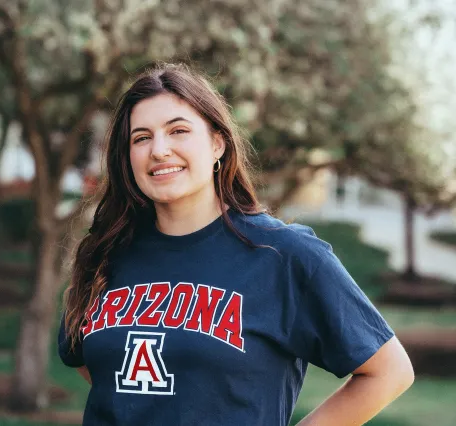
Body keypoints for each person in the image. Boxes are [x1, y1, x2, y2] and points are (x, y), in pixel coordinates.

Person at [58, 63, 414, 426]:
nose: (159, 150)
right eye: (141, 137)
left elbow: (390, 370)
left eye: (178, 130)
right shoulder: (105, 255)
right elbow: (94, 368)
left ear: (217, 143)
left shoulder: (283, 255)